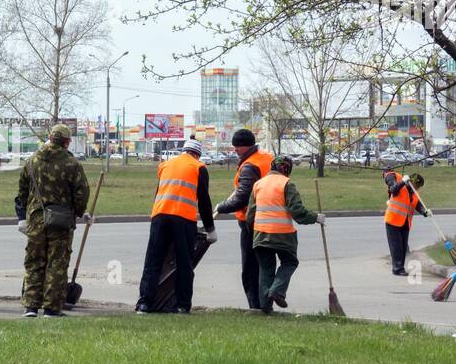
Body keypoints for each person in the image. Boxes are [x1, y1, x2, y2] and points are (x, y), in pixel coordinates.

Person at [15, 124, 90, 318]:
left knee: (34, 262)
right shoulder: (72, 163)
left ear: (50, 137)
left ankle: (30, 306)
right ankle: (51, 308)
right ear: (67, 142)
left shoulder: (32, 161)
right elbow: (81, 192)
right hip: (61, 221)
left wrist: (26, 213)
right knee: (56, 263)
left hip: (36, 219)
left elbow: (22, 191)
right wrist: (79, 212)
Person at [136, 137, 216, 314]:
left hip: (160, 216)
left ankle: (144, 304)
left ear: (183, 151)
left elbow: (159, 192)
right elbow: (204, 201)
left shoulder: (165, 165)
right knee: (184, 263)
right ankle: (182, 305)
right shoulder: (199, 168)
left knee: (153, 261)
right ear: (197, 155)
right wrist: (210, 228)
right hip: (183, 219)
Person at [247, 155, 325, 314]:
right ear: (288, 169)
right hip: (283, 235)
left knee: (265, 269)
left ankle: (265, 307)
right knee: (290, 262)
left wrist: (253, 233)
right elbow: (297, 212)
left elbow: (250, 216)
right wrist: (315, 217)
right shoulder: (287, 184)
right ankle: (277, 290)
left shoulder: (258, 185)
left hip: (260, 235)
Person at [214, 128, 274, 309]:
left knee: (250, 268)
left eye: (236, 147)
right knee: (266, 264)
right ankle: (266, 303)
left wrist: (221, 206)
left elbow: (242, 198)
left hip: (252, 221)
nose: (234, 150)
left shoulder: (249, 166)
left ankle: (256, 306)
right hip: (271, 218)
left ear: (243, 146)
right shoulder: (268, 158)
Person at [382, 169, 430, 275]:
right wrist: (403, 181)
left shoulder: (413, 194)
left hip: (405, 222)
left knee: (403, 247)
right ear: (412, 182)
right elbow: (393, 190)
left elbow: (417, 205)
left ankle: (400, 267)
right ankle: (397, 269)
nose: (417, 188)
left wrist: (424, 212)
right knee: (396, 246)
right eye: (417, 185)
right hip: (393, 220)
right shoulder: (400, 187)